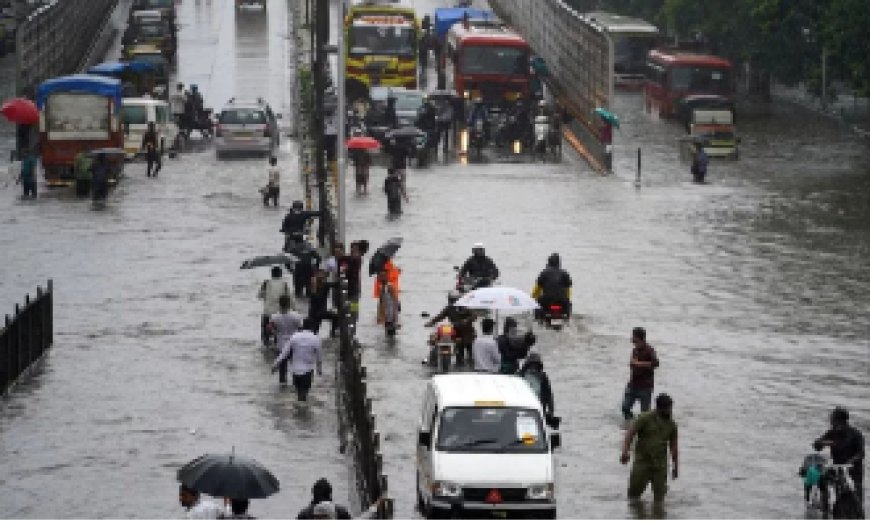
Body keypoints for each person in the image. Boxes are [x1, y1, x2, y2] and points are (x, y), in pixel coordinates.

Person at [620, 393, 679, 505]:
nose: (670, 411)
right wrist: (625, 451)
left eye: (670, 408)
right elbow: (630, 435)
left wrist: (676, 467)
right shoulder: (644, 418)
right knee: (633, 497)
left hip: (660, 466)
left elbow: (674, 447)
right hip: (642, 463)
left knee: (659, 500)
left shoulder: (672, 425)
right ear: (659, 408)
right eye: (667, 408)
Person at [813, 406, 864, 513]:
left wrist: (851, 461)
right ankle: (827, 509)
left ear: (841, 421)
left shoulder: (856, 435)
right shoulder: (832, 433)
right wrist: (820, 443)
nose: (831, 423)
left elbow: (861, 453)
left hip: (854, 470)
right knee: (826, 482)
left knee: (856, 496)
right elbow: (817, 446)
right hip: (837, 468)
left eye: (833, 420)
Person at [272, 318, 322, 401]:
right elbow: (319, 357)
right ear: (312, 327)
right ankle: (302, 411)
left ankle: (298, 411)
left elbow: (284, 353)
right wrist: (319, 370)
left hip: (295, 371)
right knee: (303, 395)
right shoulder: (315, 339)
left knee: (298, 394)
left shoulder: (294, 337)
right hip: (307, 371)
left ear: (302, 326)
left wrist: (275, 365)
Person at [426, 290, 476, 366]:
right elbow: (440, 316)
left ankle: (471, 366)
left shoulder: (465, 307)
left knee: (470, 352)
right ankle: (459, 365)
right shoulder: (449, 308)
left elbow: (474, 316)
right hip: (456, 332)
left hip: (467, 333)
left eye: (453, 300)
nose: (452, 301)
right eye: (451, 300)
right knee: (459, 352)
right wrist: (431, 322)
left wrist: (466, 320)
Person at [622, 327, 659, 421]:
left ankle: (642, 429)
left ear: (639, 338)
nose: (631, 338)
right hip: (633, 384)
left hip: (645, 386)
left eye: (633, 336)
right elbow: (632, 363)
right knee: (625, 408)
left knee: (645, 414)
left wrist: (638, 364)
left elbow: (656, 363)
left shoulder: (650, 350)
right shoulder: (635, 350)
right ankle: (631, 425)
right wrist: (632, 364)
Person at [268, 295, 303, 384]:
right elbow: (301, 329)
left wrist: (275, 333)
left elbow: (269, 328)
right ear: (289, 303)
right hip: (294, 344)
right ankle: (296, 385)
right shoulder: (296, 316)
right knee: (296, 367)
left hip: (281, 344)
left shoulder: (274, 317)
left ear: (279, 304)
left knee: (282, 370)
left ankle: (282, 386)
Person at [257, 266, 291, 347]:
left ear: (271, 274)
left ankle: (266, 347)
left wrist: (264, 290)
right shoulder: (284, 284)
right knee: (278, 332)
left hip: (267, 312)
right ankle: (277, 348)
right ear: (280, 274)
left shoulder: (266, 283)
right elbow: (288, 297)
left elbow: (259, 296)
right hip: (279, 312)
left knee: (265, 333)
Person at [532, 253, 573, 319]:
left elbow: (536, 291)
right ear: (559, 263)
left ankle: (538, 320)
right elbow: (568, 292)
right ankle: (567, 318)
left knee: (537, 305)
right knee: (569, 304)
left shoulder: (543, 273)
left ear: (548, 262)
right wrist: (566, 299)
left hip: (546, 301)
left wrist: (533, 299)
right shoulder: (565, 274)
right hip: (562, 302)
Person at [518, 351, 554, 418]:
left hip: (538, 408)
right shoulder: (520, 376)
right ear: (527, 366)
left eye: (535, 367)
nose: (533, 369)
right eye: (531, 367)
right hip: (523, 407)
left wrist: (550, 411)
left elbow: (549, 395)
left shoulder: (542, 376)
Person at [308, 268, 337, 337]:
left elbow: (335, 284)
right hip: (315, 313)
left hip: (320, 312)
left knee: (335, 317)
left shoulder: (325, 285)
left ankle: (333, 332)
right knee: (314, 330)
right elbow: (315, 298)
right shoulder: (313, 286)